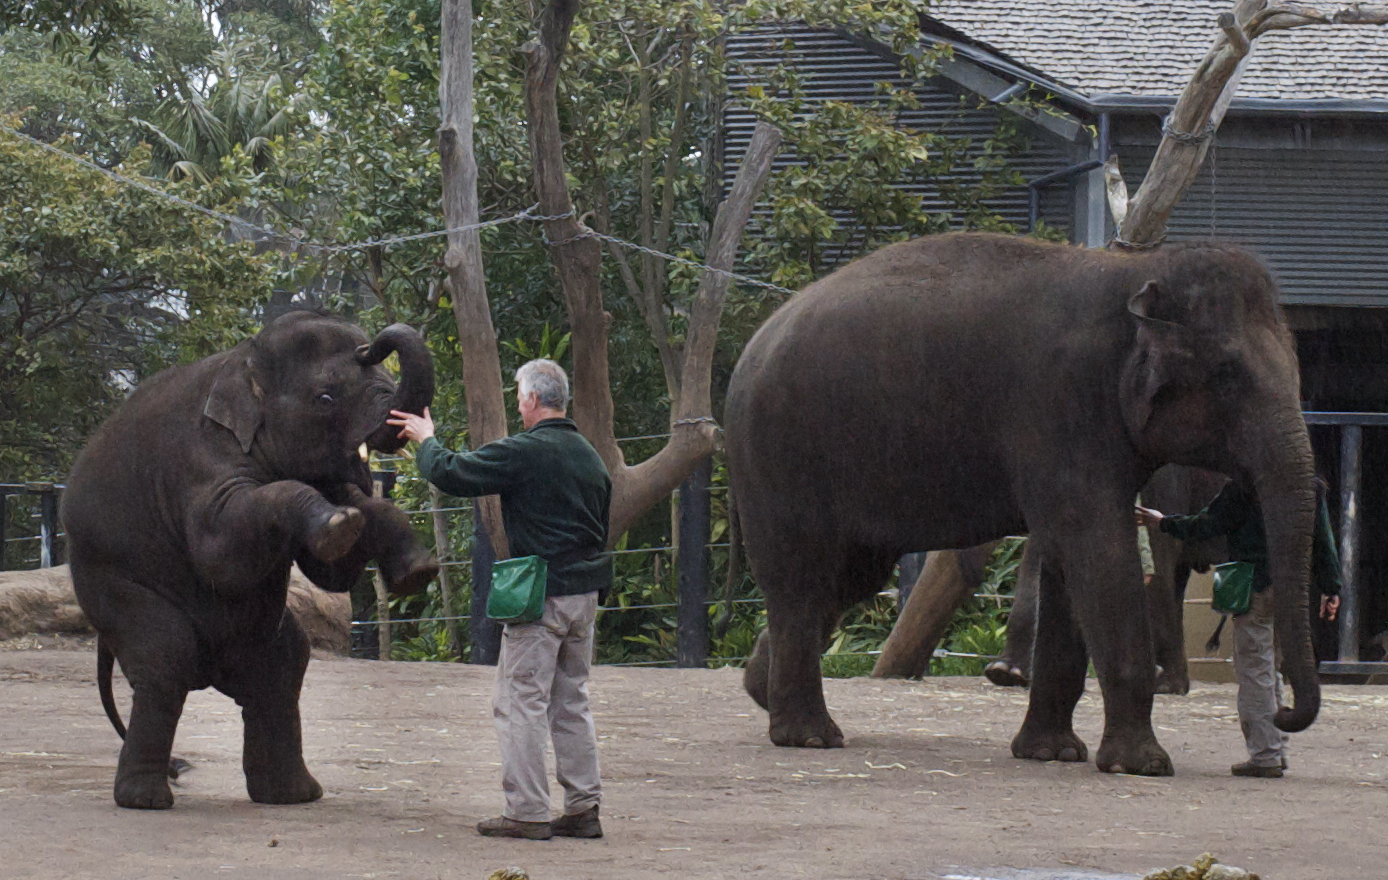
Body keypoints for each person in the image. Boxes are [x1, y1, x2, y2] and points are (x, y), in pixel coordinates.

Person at [388, 359, 611, 840]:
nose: (517, 403)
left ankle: (527, 811)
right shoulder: (589, 455)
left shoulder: (527, 451)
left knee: (519, 700)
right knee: (571, 699)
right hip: (585, 595)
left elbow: (453, 473)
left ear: (531, 400)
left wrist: (426, 439)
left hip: (542, 595)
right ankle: (583, 806)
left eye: (518, 396)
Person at [1135, 478, 1341, 779]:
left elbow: (1205, 524)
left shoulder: (1246, 490)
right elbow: (1324, 540)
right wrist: (1331, 587)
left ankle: (1265, 755)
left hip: (1255, 588)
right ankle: (1276, 748)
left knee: (1256, 670)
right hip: (1293, 592)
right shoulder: (1307, 488)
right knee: (1273, 667)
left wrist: (1163, 522)